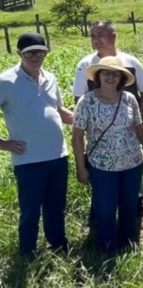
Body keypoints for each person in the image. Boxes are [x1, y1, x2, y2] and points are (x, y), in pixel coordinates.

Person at [72, 20, 143, 231]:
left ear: (114, 36)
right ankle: (100, 231)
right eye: (93, 35)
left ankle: (136, 220)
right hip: (100, 146)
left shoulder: (130, 62)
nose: (96, 39)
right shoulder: (85, 64)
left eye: (100, 34)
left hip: (130, 139)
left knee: (132, 187)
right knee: (103, 193)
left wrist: (135, 120)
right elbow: (78, 100)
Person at [0, 32, 74, 256]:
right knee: (30, 210)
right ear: (19, 53)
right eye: (30, 52)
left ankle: (59, 247)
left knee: (56, 207)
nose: (36, 56)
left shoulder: (50, 77)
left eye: (40, 52)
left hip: (58, 155)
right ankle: (27, 253)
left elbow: (58, 110)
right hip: (29, 159)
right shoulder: (5, 81)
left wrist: (85, 121)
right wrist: (3, 144)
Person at [72, 57, 143, 251]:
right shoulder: (86, 101)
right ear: (98, 76)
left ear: (121, 78)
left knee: (129, 205)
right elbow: (77, 137)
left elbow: (139, 127)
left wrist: (139, 152)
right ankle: (107, 247)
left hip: (133, 163)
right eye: (106, 72)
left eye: (115, 73)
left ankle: (128, 244)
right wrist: (81, 167)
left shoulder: (129, 99)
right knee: (105, 208)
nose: (110, 77)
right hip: (102, 166)